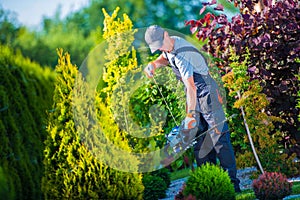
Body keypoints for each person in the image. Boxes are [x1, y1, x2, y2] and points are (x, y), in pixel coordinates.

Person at [143, 25, 241, 193]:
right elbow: (164, 57)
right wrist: (153, 64)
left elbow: (191, 87)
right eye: (157, 46)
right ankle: (209, 186)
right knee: (201, 141)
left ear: (167, 34)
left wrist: (190, 115)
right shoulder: (169, 48)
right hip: (196, 92)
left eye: (160, 43)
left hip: (205, 91)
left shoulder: (182, 53)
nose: (160, 47)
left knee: (219, 139)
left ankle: (232, 187)